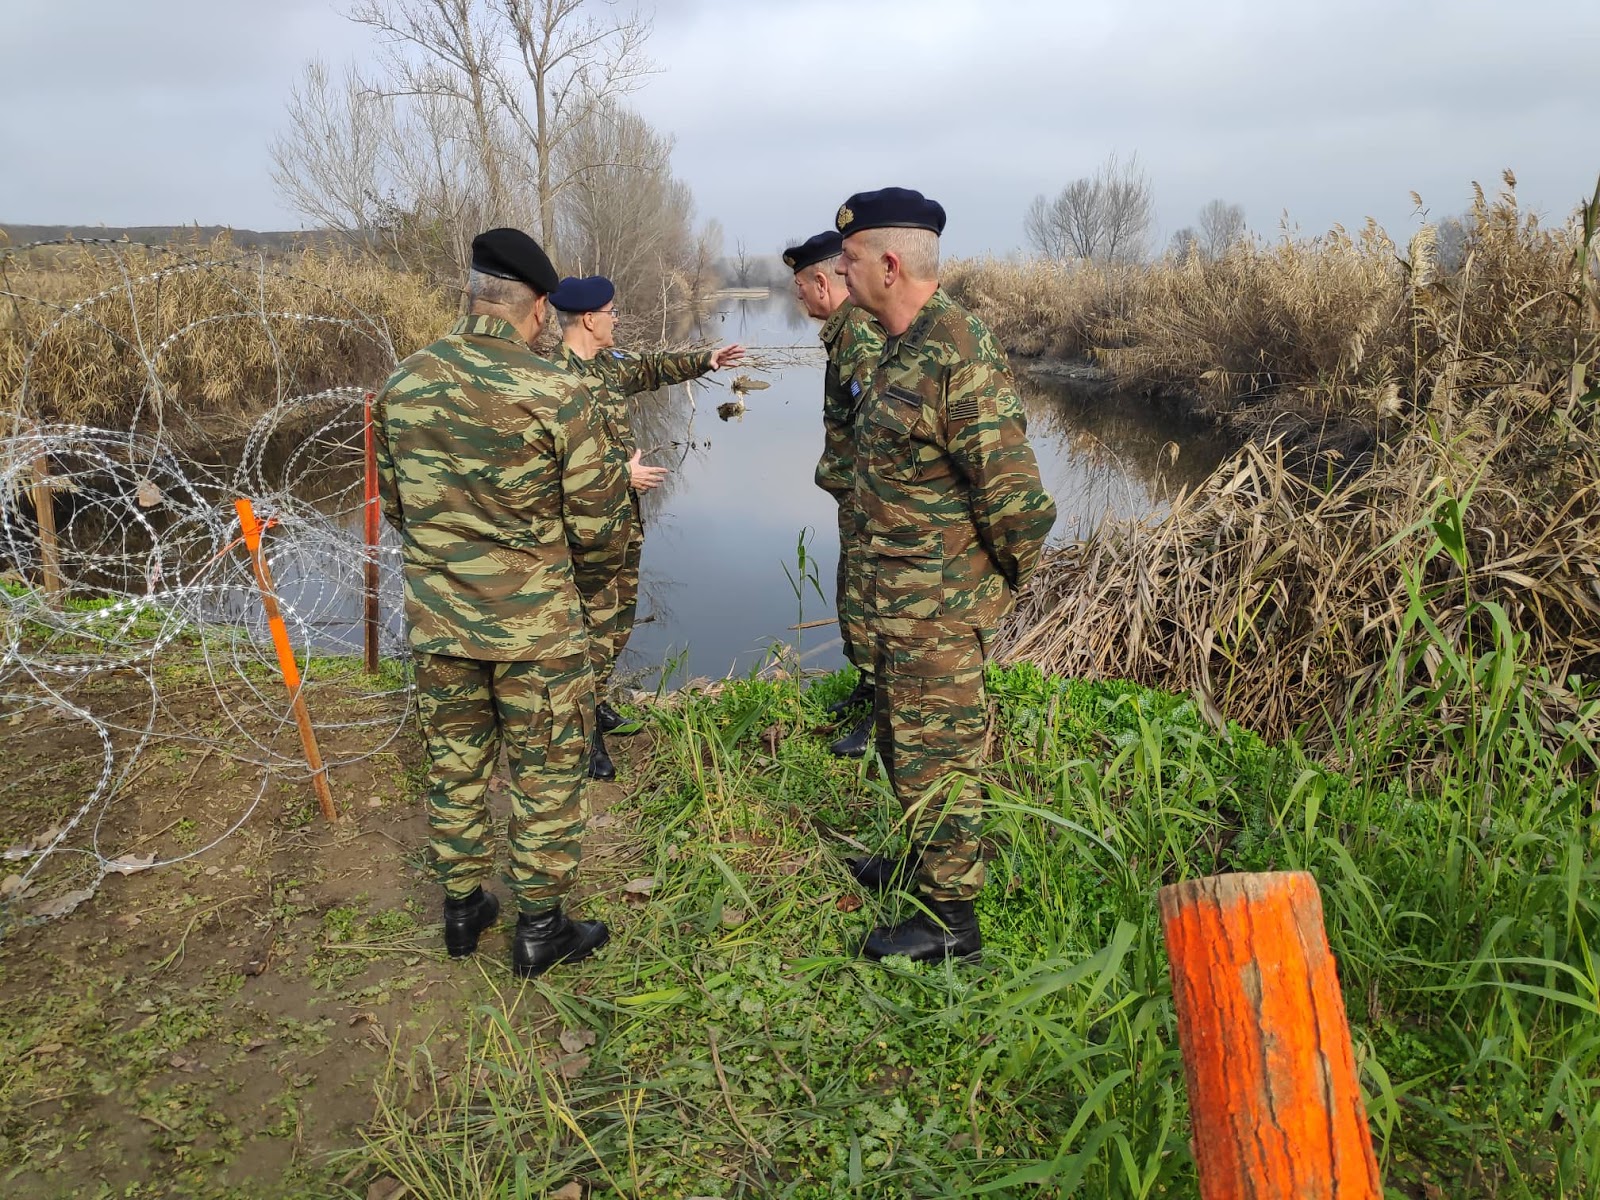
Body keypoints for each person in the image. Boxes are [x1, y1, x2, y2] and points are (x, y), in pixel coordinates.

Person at [374, 229, 631, 979]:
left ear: (474, 293)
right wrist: (578, 599)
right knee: (546, 774)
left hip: (440, 623)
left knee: (455, 768)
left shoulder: (403, 383)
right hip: (537, 630)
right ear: (541, 307)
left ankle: (462, 910)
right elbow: (600, 529)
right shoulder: (557, 392)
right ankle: (540, 928)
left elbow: (399, 509)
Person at [833, 188, 1057, 963]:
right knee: (905, 746)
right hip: (897, 606)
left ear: (889, 264)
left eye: (851, 256)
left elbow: (1018, 504)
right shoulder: (899, 344)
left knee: (942, 758)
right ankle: (924, 867)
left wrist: (976, 595)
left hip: (937, 613)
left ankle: (951, 924)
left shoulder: (957, 351)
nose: (841, 268)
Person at [546, 275, 745, 780]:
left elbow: (654, 366)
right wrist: (620, 472)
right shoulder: (548, 381)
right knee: (584, 631)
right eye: (611, 312)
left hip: (623, 523)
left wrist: (708, 360)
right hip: (579, 533)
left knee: (616, 624)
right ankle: (581, 734)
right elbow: (551, 465)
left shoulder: (611, 366)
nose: (616, 318)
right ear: (589, 319)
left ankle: (597, 702)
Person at [783, 230, 884, 757]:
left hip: (874, 505)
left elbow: (880, 433)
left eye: (800, 285)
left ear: (821, 281)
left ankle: (882, 714)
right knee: (854, 598)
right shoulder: (843, 335)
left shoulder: (860, 339)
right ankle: (869, 690)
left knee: (868, 602)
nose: (798, 296)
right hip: (856, 499)